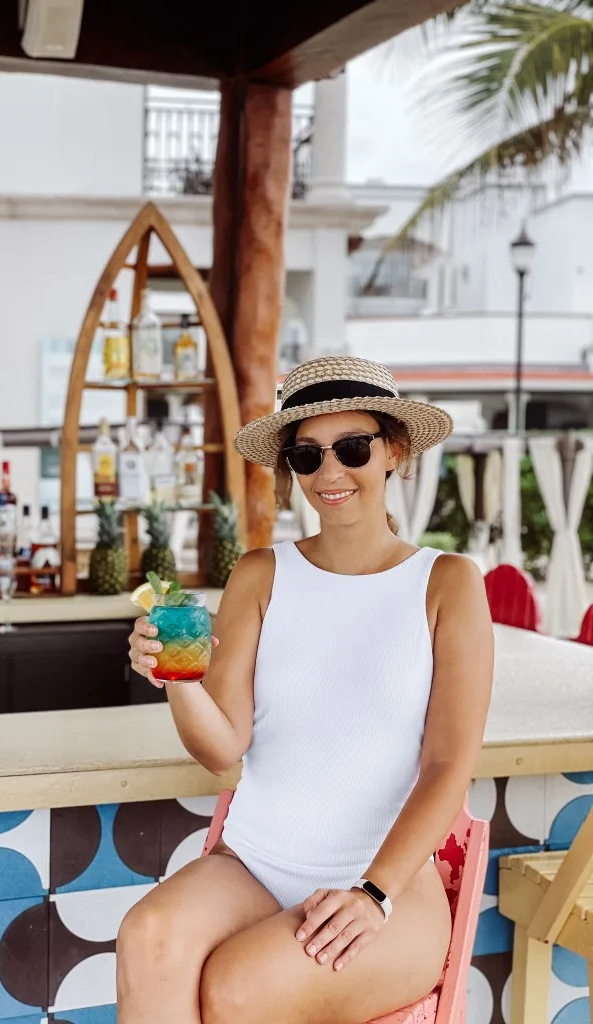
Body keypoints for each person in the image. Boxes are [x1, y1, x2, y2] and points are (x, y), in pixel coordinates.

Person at [118, 356, 493, 1024]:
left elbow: (448, 766)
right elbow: (221, 749)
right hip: (253, 866)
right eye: (307, 456)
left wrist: (373, 894)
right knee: (148, 938)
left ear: (394, 451)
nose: (330, 473)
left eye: (352, 448)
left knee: (240, 986)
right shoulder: (261, 575)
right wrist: (174, 678)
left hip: (391, 890)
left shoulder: (448, 584)